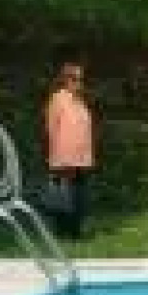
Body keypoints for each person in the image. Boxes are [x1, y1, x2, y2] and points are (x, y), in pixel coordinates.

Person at [44, 62, 96, 240]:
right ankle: (61, 232)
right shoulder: (58, 98)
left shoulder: (80, 102)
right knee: (62, 197)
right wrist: (56, 157)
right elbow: (51, 128)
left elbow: (85, 130)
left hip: (82, 159)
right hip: (63, 158)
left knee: (79, 197)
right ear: (65, 79)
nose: (78, 83)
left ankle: (76, 232)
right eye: (74, 79)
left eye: (80, 79)